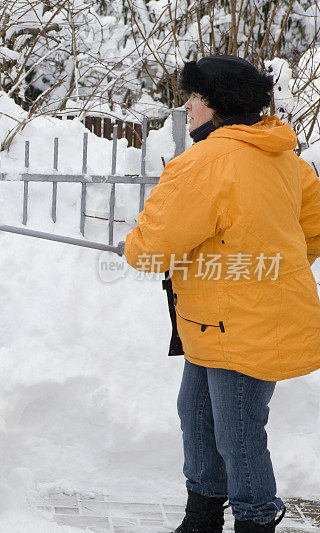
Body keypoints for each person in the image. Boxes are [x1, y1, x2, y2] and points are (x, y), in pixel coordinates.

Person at [123, 55, 320, 533]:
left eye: (193, 98)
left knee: (236, 432)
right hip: (221, 321)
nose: (187, 109)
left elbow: (151, 249)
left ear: (216, 105)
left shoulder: (205, 163)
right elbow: (311, 232)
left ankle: (255, 518)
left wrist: (231, 270)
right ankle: (203, 514)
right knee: (199, 415)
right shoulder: (287, 161)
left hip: (238, 324)